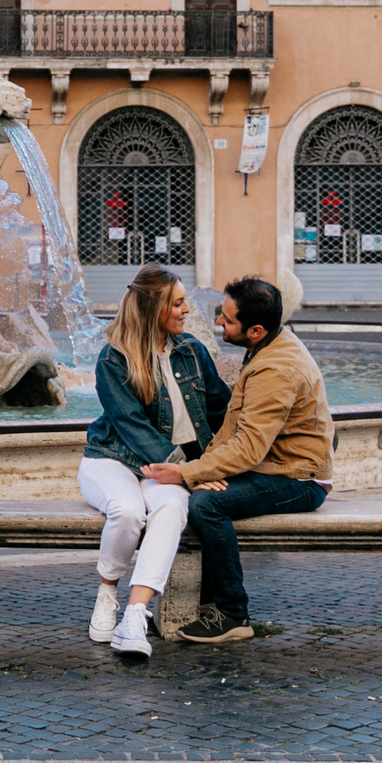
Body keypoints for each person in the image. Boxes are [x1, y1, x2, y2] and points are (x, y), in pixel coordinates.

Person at [142, 276, 332, 645]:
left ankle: (231, 614)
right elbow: (235, 429)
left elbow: (248, 448)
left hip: (299, 479)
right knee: (204, 494)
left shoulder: (276, 370)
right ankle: (207, 605)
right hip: (274, 466)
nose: (219, 324)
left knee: (208, 505)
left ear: (256, 330)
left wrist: (186, 473)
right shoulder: (268, 345)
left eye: (228, 321)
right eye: (222, 314)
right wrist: (201, 472)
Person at [79, 268, 227, 663]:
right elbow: (130, 426)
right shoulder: (114, 359)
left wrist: (215, 464)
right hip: (113, 458)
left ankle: (133, 616)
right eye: (177, 303)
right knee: (127, 510)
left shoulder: (192, 350)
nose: (186, 310)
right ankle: (108, 590)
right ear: (153, 308)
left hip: (166, 466)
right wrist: (188, 472)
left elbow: (222, 409)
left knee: (172, 507)